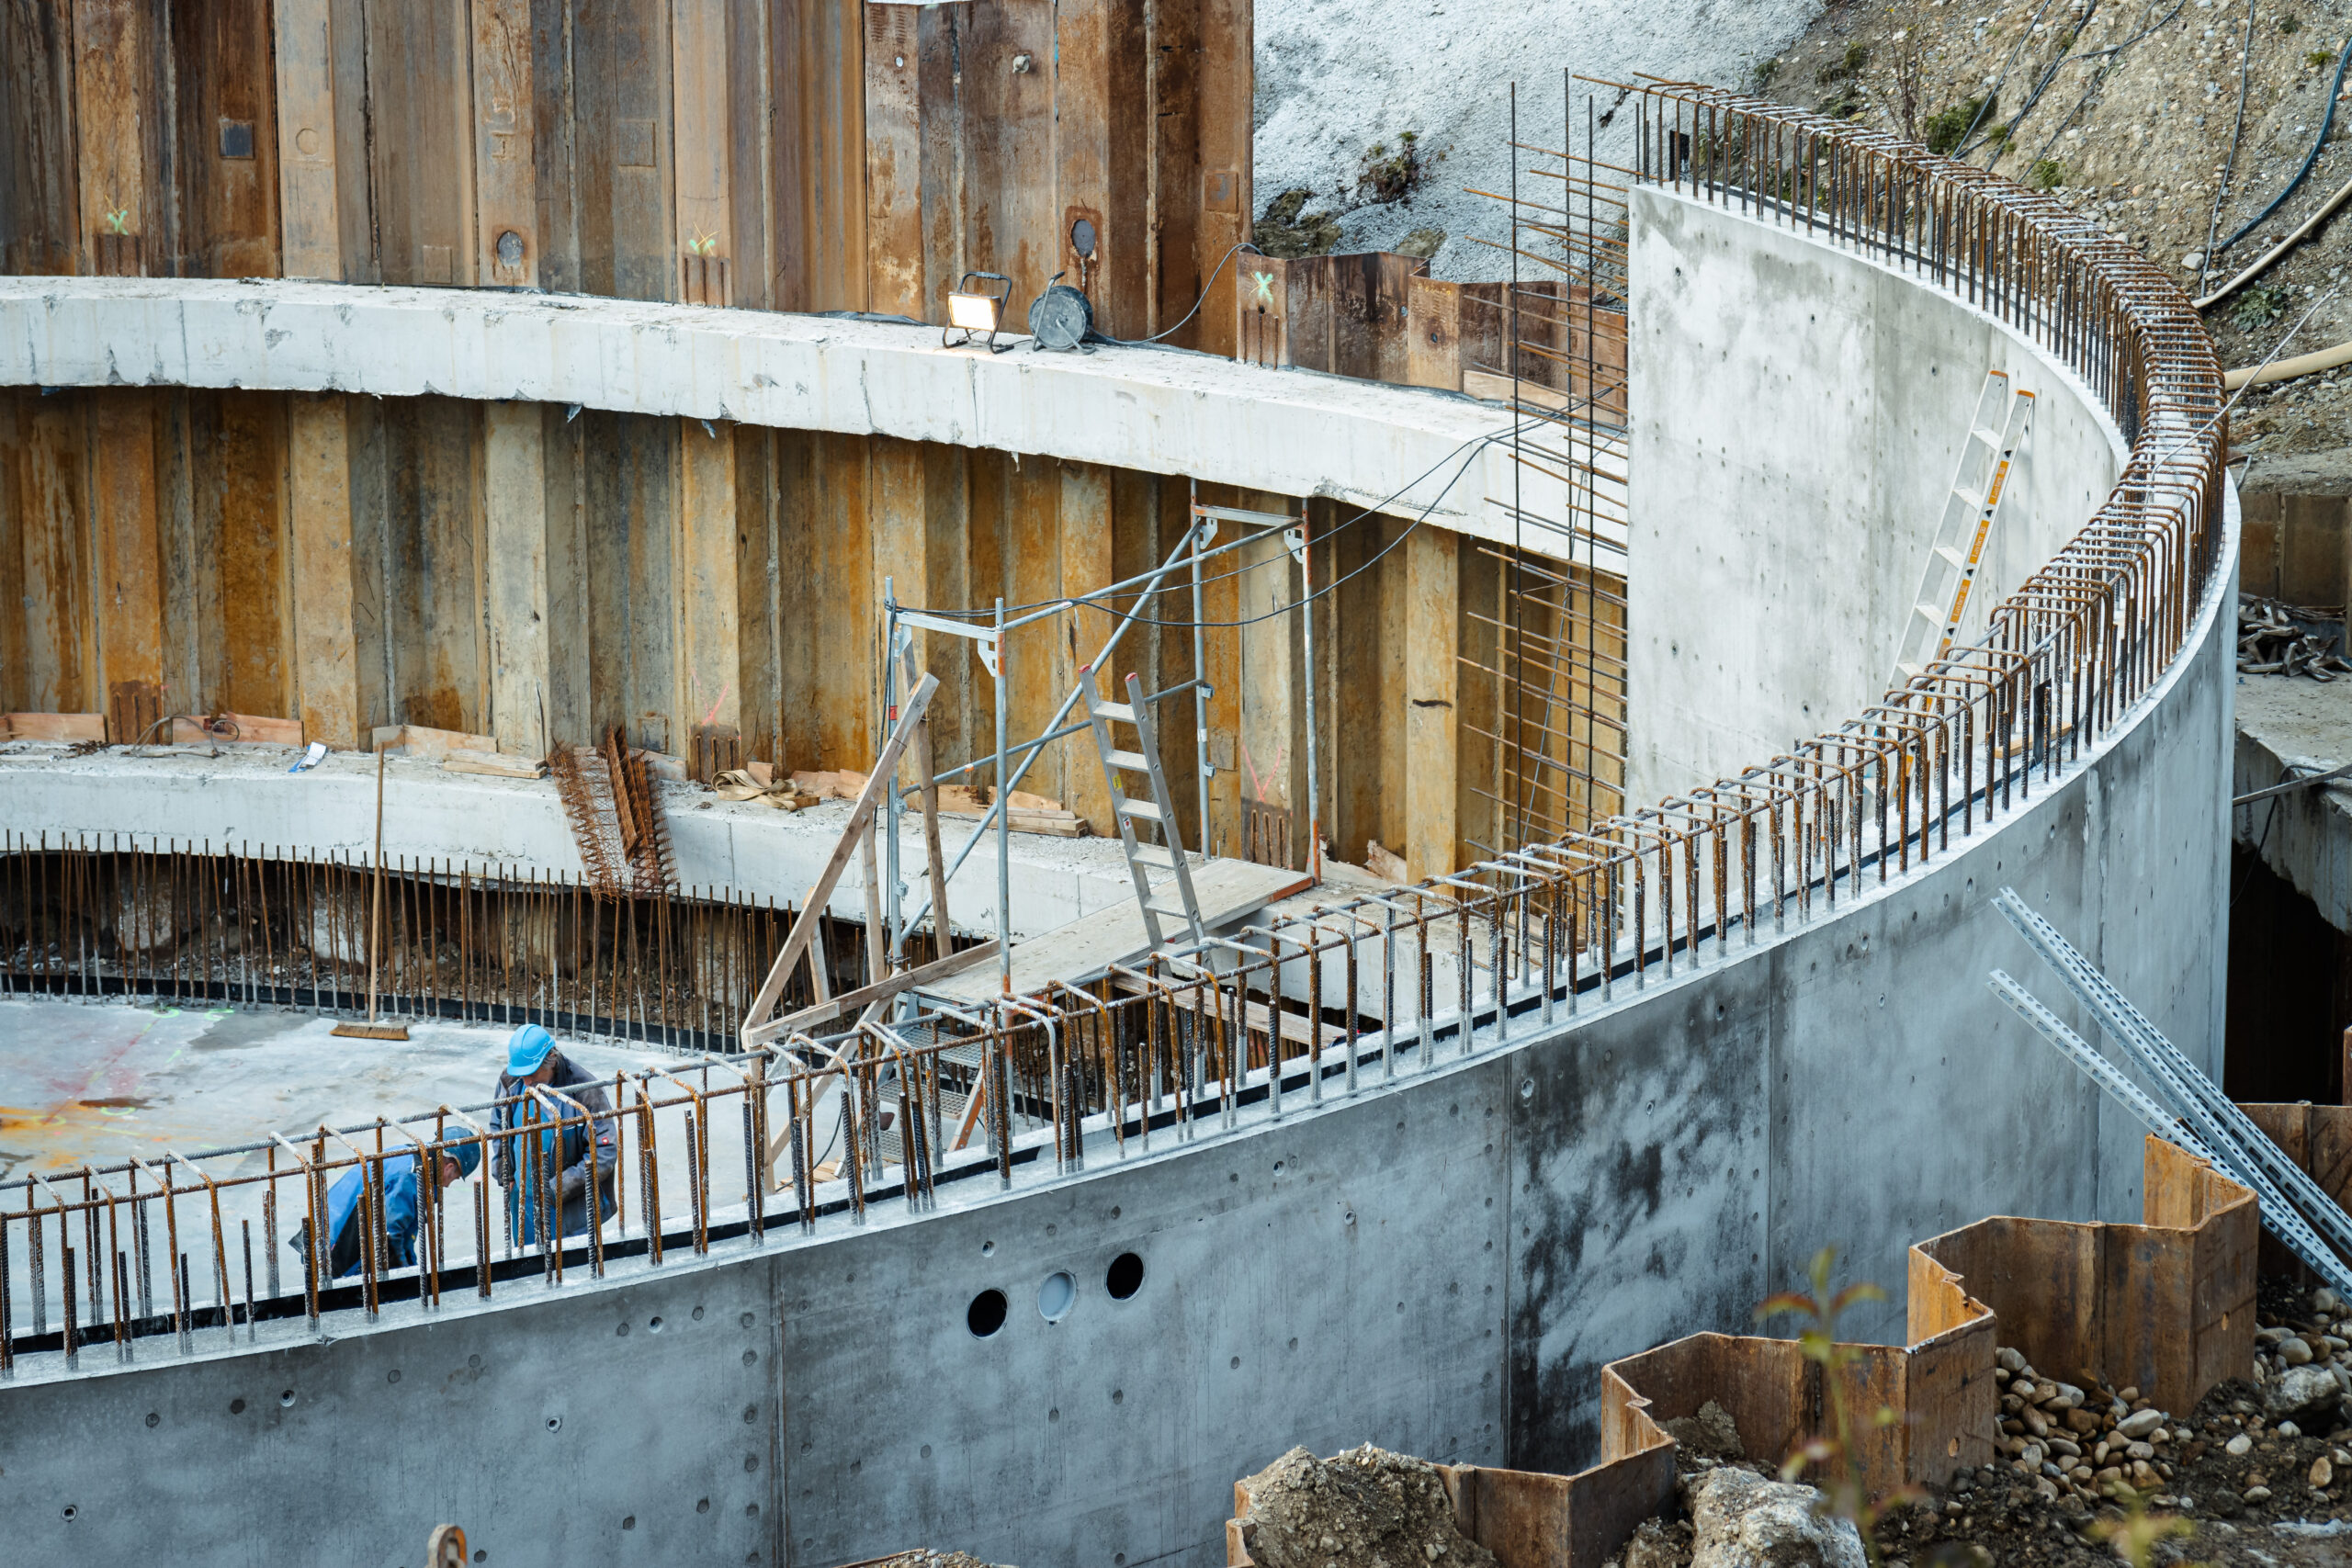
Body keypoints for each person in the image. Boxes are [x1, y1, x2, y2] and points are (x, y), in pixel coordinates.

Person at [492, 1023, 618, 1243]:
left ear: (551, 1060)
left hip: (569, 1207)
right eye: (522, 1075)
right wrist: (505, 1170)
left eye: (531, 1073)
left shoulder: (584, 1088)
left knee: (570, 1269)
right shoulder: (511, 1080)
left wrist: (558, 1187)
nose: (527, 1082)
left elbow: (604, 1152)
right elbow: (498, 1125)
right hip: (524, 1200)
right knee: (530, 1265)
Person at [293, 1139, 480, 1281]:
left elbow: (404, 1237)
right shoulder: (411, 1176)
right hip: (332, 1248)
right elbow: (391, 1238)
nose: (448, 1186)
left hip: (322, 1231)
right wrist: (408, 1281)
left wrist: (413, 1269)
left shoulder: (410, 1154)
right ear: (449, 1167)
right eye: (454, 1178)